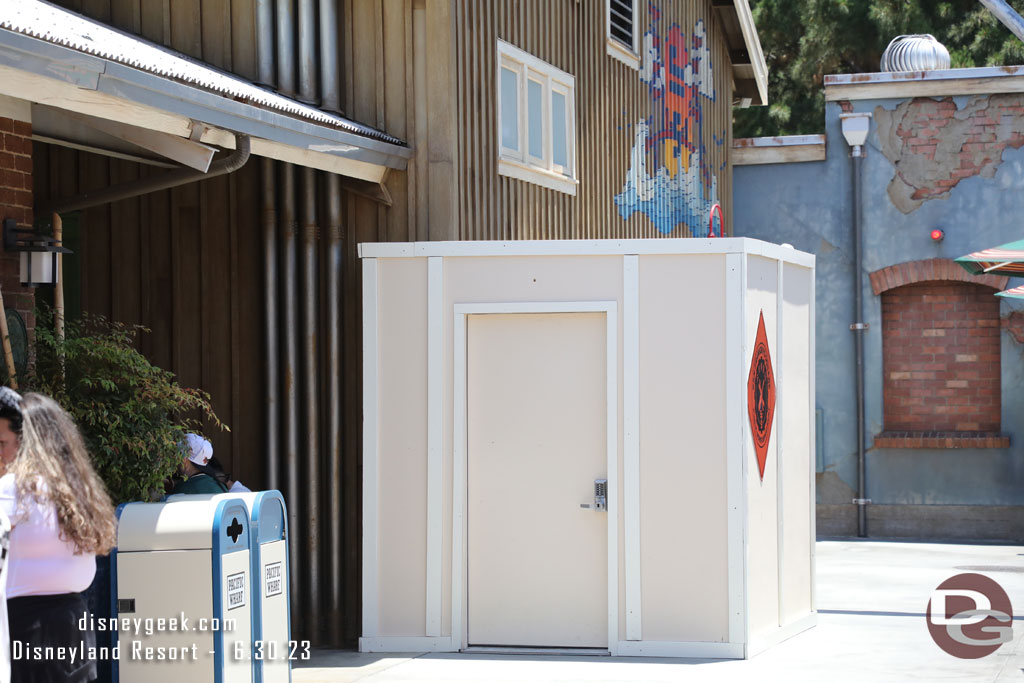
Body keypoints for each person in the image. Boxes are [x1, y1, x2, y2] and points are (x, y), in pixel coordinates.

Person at [0, 389, 118, 683]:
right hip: (75, 629)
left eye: (2, 443)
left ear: (26, 442)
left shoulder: (14, 489)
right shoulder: (79, 492)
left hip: (23, 631)